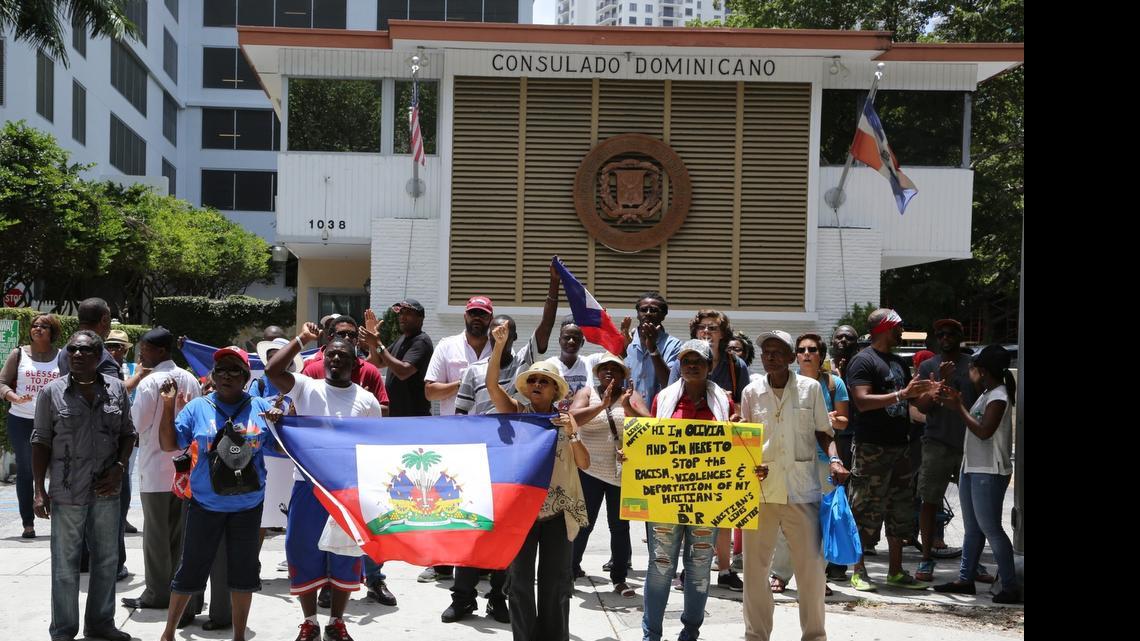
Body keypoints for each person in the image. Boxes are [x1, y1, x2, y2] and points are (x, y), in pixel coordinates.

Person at [265, 323, 385, 641]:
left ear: (355, 364)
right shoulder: (306, 387)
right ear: (323, 357)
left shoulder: (368, 402)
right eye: (330, 354)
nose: (335, 359)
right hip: (308, 487)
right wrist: (302, 339)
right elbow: (273, 369)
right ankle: (310, 622)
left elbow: (374, 449)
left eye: (343, 356)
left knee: (346, 555)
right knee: (302, 551)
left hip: (347, 492)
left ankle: (336, 621)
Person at [154, 346, 273, 641]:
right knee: (190, 568)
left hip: (248, 506)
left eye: (235, 370)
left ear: (246, 377)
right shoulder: (198, 408)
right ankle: (168, 632)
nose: (226, 376)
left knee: (244, 573)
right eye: (221, 370)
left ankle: (239, 636)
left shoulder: (261, 407)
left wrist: (285, 420)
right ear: (213, 375)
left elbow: (283, 448)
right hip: (205, 504)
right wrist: (169, 406)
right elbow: (170, 445)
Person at [740, 330, 849, 641]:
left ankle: (814, 636)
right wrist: (749, 464)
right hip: (761, 490)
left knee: (812, 570)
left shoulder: (810, 388)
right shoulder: (751, 392)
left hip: (802, 488)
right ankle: (756, 635)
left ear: (790, 358)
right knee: (755, 571)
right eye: (766, 351)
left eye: (778, 351)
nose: (770, 356)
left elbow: (823, 432)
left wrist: (836, 459)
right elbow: (743, 439)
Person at [483, 322, 589, 641]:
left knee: (557, 583)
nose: (539, 385)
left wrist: (571, 433)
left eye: (545, 381)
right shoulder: (517, 413)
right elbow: (492, 388)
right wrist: (499, 347)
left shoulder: (566, 421)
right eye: (534, 381)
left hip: (557, 513)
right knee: (519, 582)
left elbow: (583, 462)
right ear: (528, 388)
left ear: (556, 390)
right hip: (522, 514)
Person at [32, 330, 135, 641]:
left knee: (107, 560)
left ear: (99, 355)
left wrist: (119, 468)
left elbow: (128, 434)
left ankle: (101, 623)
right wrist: (39, 490)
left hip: (107, 490)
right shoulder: (52, 392)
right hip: (66, 491)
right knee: (65, 564)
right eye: (73, 350)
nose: (77, 355)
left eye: (86, 351)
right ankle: (63, 630)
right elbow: (40, 441)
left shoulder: (117, 389)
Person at [445, 313, 547, 624]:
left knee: (506, 531)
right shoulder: (474, 371)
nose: (499, 334)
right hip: (479, 460)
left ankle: (497, 598)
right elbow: (460, 414)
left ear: (515, 338)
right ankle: (463, 598)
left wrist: (555, 287)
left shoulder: (525, 369)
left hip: (515, 462)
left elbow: (545, 328)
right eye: (495, 330)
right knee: (472, 528)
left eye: (506, 331)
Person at [643, 339, 737, 641]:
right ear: (679, 366)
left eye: (699, 360)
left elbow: (734, 451)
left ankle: (690, 633)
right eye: (686, 360)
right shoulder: (664, 400)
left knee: (697, 569)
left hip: (706, 502)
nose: (692, 365)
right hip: (665, 502)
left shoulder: (724, 403)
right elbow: (652, 446)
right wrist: (632, 455)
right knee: (660, 568)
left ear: (710, 366)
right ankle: (651, 634)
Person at [846, 309, 935, 591]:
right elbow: (861, 401)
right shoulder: (863, 360)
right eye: (898, 327)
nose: (902, 332)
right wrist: (901, 394)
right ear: (885, 328)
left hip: (901, 446)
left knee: (901, 509)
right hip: (872, 447)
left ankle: (895, 571)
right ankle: (858, 570)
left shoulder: (898, 361)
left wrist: (930, 394)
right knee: (865, 509)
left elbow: (911, 402)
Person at [120, 329, 202, 616]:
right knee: (180, 535)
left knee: (155, 535)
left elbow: (137, 423)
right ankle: (182, 591)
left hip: (155, 467)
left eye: (145, 349)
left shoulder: (149, 382)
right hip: (186, 468)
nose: (141, 355)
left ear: (161, 351)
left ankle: (157, 593)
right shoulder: (191, 379)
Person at [933, 345, 1022, 604]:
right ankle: (965, 579)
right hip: (972, 468)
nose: (970, 370)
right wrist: (957, 403)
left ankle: (1009, 586)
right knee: (972, 529)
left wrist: (959, 406)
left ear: (982, 371)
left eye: (972, 367)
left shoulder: (999, 396)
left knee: (991, 528)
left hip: (989, 471)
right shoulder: (987, 393)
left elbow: (984, 431)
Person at [667, 309, 748, 590]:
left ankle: (724, 570)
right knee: (685, 512)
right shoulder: (681, 362)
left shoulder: (736, 364)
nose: (707, 332)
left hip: (720, 447)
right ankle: (687, 569)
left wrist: (734, 413)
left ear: (723, 333)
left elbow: (744, 402)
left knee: (722, 513)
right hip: (684, 450)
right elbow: (668, 402)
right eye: (702, 327)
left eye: (714, 328)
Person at [768, 333, 850, 596]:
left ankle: (817, 576)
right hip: (790, 460)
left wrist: (827, 421)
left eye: (812, 349)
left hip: (823, 461)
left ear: (821, 355)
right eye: (801, 349)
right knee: (785, 519)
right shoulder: (787, 382)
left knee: (820, 522)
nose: (806, 354)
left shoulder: (834, 383)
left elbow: (843, 422)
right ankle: (780, 573)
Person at [569, 353, 649, 596]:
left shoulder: (631, 396)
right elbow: (572, 419)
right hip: (589, 470)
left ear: (624, 375)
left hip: (621, 472)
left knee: (620, 527)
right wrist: (602, 405)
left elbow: (650, 423)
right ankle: (570, 572)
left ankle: (620, 577)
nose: (609, 373)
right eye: (604, 368)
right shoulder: (587, 392)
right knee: (584, 524)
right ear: (598, 373)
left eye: (615, 369)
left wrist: (626, 406)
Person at [910, 320, 975, 582]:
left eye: (951, 333)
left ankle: (974, 562)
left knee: (973, 506)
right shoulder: (928, 366)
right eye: (940, 334)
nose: (945, 337)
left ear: (960, 336)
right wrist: (939, 385)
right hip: (936, 442)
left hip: (969, 444)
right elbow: (922, 407)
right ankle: (926, 558)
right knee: (929, 501)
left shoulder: (973, 365)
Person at [0, 313, 61, 539]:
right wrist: (12, 397)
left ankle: (58, 516)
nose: (37, 329)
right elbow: (2, 382)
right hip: (21, 420)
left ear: (52, 331)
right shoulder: (18, 354)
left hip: (53, 421)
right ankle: (28, 522)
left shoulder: (62, 356)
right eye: (34, 326)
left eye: (43, 326)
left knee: (57, 469)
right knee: (27, 471)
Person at [300, 315, 389, 412]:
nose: (347, 338)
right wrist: (302, 338)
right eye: (341, 334)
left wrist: (367, 401)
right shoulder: (311, 368)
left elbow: (384, 409)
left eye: (352, 335)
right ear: (330, 337)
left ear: (357, 340)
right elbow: (298, 407)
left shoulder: (369, 370)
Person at [623, 292, 682, 403]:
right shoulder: (627, 343)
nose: (648, 313)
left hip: (659, 414)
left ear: (664, 315)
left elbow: (671, 384)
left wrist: (653, 349)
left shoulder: (673, 345)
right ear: (637, 314)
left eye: (653, 310)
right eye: (644, 310)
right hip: (629, 414)